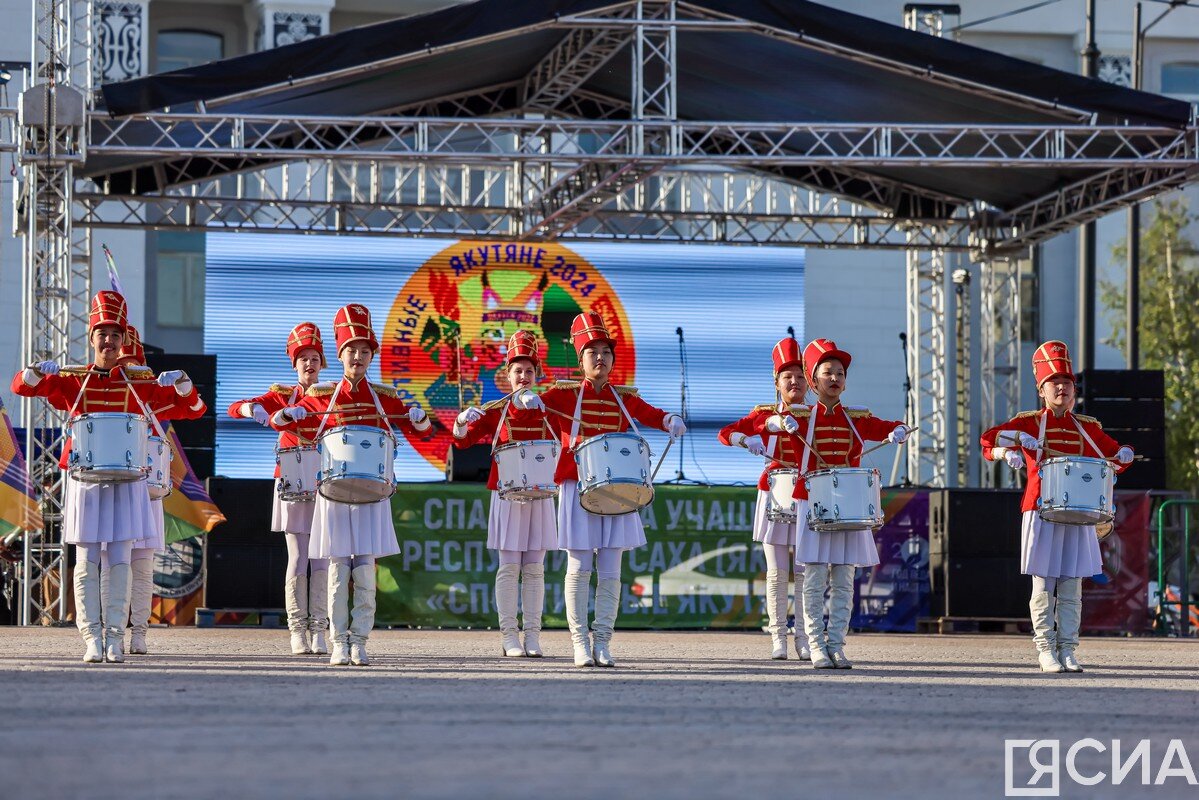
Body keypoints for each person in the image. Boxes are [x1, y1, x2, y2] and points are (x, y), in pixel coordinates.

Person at [12, 291, 200, 663]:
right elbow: (21, 387)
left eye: (115, 334)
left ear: (123, 339)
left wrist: (183, 384)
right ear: (92, 337)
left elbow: (194, 409)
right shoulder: (72, 382)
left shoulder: (141, 385)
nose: (109, 341)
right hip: (86, 481)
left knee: (119, 560)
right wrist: (34, 370)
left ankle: (116, 636)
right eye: (103, 333)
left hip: (129, 481)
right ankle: (91, 637)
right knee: (86, 562)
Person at [274, 304, 430, 667]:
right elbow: (284, 425)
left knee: (364, 564)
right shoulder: (321, 394)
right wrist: (287, 414)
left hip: (373, 491)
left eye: (364, 351)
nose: (357, 357)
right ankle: (337, 640)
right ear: (341, 355)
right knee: (336, 565)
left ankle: (359, 639)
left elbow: (418, 428)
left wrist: (421, 420)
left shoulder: (385, 396)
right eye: (351, 351)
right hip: (334, 491)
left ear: (371, 355)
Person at [539, 312, 687, 668]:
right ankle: (579, 642)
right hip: (578, 486)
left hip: (619, 489)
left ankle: (603, 642)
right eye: (593, 352)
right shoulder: (564, 395)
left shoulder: (624, 397)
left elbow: (650, 413)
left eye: (606, 352)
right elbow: (528, 409)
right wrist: (525, 401)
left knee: (610, 569)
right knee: (578, 565)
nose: (600, 358)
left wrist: (668, 419)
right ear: (581, 359)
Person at [980, 340, 1134, 673]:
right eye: (1055, 383)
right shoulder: (1028, 422)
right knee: (1043, 584)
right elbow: (988, 441)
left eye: (1067, 382)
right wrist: (1011, 447)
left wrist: (1124, 454)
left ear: (1074, 389)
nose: (1062, 387)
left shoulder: (1088, 428)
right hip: (1041, 509)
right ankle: (1045, 649)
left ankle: (1069, 649)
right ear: (1042, 390)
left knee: (1071, 586)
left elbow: (1113, 457)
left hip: (1079, 514)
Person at [794, 338, 908, 670]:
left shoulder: (856, 417)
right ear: (813, 380)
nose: (835, 378)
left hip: (851, 504)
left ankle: (836, 644)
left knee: (844, 578)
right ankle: (816, 644)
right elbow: (763, 424)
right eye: (827, 372)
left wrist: (898, 431)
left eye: (840, 373)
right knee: (815, 577)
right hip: (814, 504)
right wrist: (775, 424)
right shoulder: (801, 417)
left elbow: (888, 427)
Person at [453, 330, 558, 657]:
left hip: (541, 495)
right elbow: (463, 442)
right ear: (507, 376)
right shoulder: (496, 410)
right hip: (508, 495)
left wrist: (546, 408)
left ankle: (533, 636)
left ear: (536, 375)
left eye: (529, 371)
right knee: (509, 566)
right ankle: (509, 636)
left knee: (535, 568)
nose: (523, 376)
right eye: (517, 371)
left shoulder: (547, 407)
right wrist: (460, 422)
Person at [227, 322, 330, 655]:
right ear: (294, 363)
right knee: (299, 558)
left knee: (324, 559)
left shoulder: (333, 395)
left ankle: (320, 630)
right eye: (303, 358)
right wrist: (252, 408)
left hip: (327, 478)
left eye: (315, 357)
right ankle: (297, 630)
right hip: (292, 479)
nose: (309, 364)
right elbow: (234, 406)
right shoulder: (282, 395)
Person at [114, 325, 207, 655]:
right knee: (112, 565)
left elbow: (196, 409)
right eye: (123, 362)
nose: (128, 368)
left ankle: (138, 633)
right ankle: (111, 633)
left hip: (146, 489)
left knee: (141, 567)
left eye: (133, 362)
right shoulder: (105, 388)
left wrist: (183, 382)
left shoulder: (151, 392)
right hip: (110, 488)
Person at [718, 338, 810, 660]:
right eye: (788, 377)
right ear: (777, 382)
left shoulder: (814, 415)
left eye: (800, 377)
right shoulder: (764, 414)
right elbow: (725, 432)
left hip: (807, 494)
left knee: (803, 572)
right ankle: (778, 638)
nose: (794, 382)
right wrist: (746, 439)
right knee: (775, 572)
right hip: (773, 493)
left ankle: (803, 637)